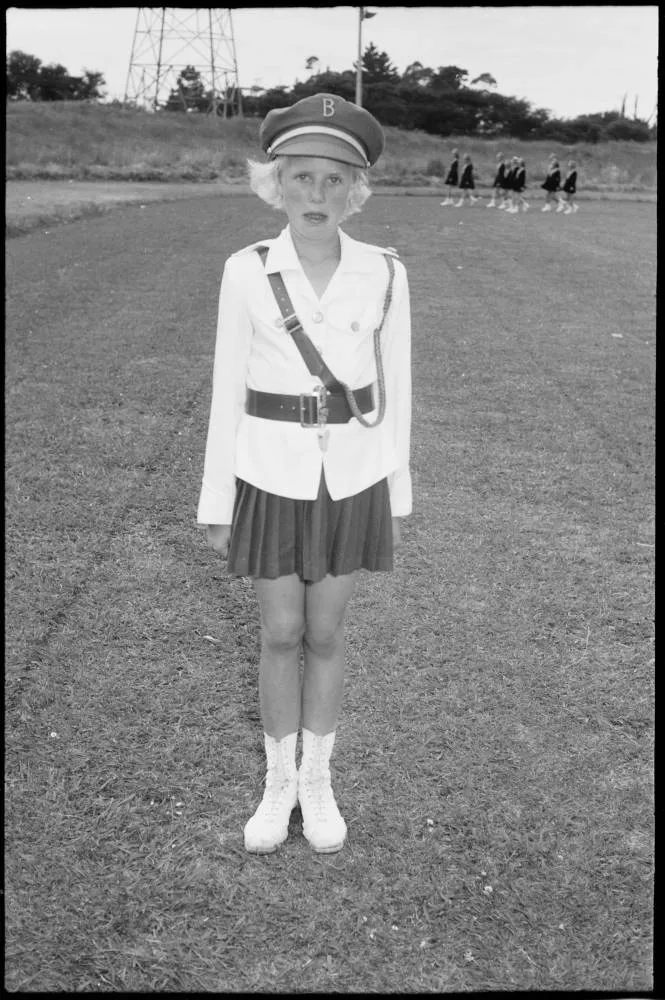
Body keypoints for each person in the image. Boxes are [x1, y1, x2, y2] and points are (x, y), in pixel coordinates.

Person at [197, 92, 412, 856]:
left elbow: (395, 388)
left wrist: (397, 486)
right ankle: (277, 782)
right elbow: (227, 389)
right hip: (268, 472)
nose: (316, 195)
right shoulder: (246, 271)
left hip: (351, 478)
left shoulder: (385, 273)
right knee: (279, 631)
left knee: (326, 634)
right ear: (274, 183)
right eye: (301, 178)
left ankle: (318, 782)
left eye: (333, 180)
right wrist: (216, 496)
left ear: (356, 191)